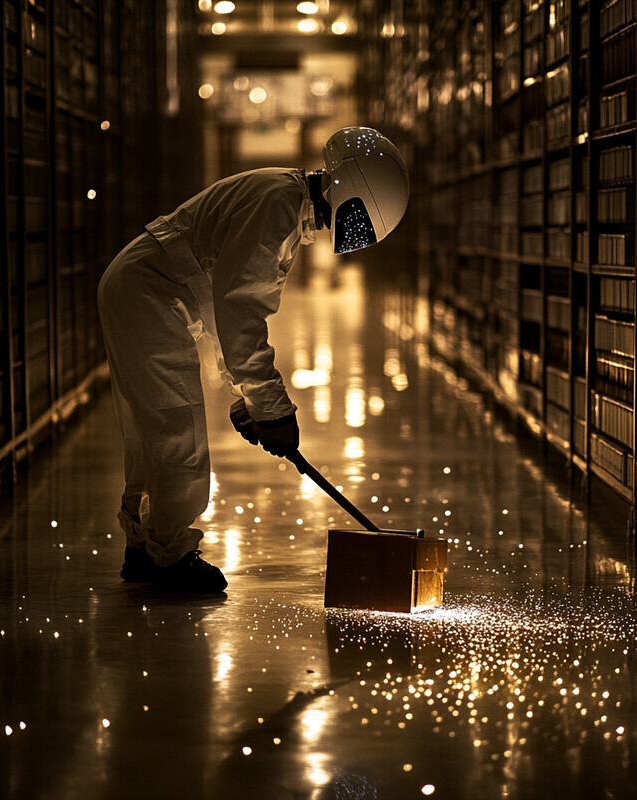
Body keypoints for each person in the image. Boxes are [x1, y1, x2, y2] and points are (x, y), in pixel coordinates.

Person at [97, 126, 409, 593]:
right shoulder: (277, 206)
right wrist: (274, 409)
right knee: (175, 425)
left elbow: (224, 309)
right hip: (148, 292)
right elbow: (241, 313)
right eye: (358, 221)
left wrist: (245, 397)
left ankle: (145, 548)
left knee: (152, 431)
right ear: (353, 193)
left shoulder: (286, 202)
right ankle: (171, 556)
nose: (350, 232)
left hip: (143, 289)